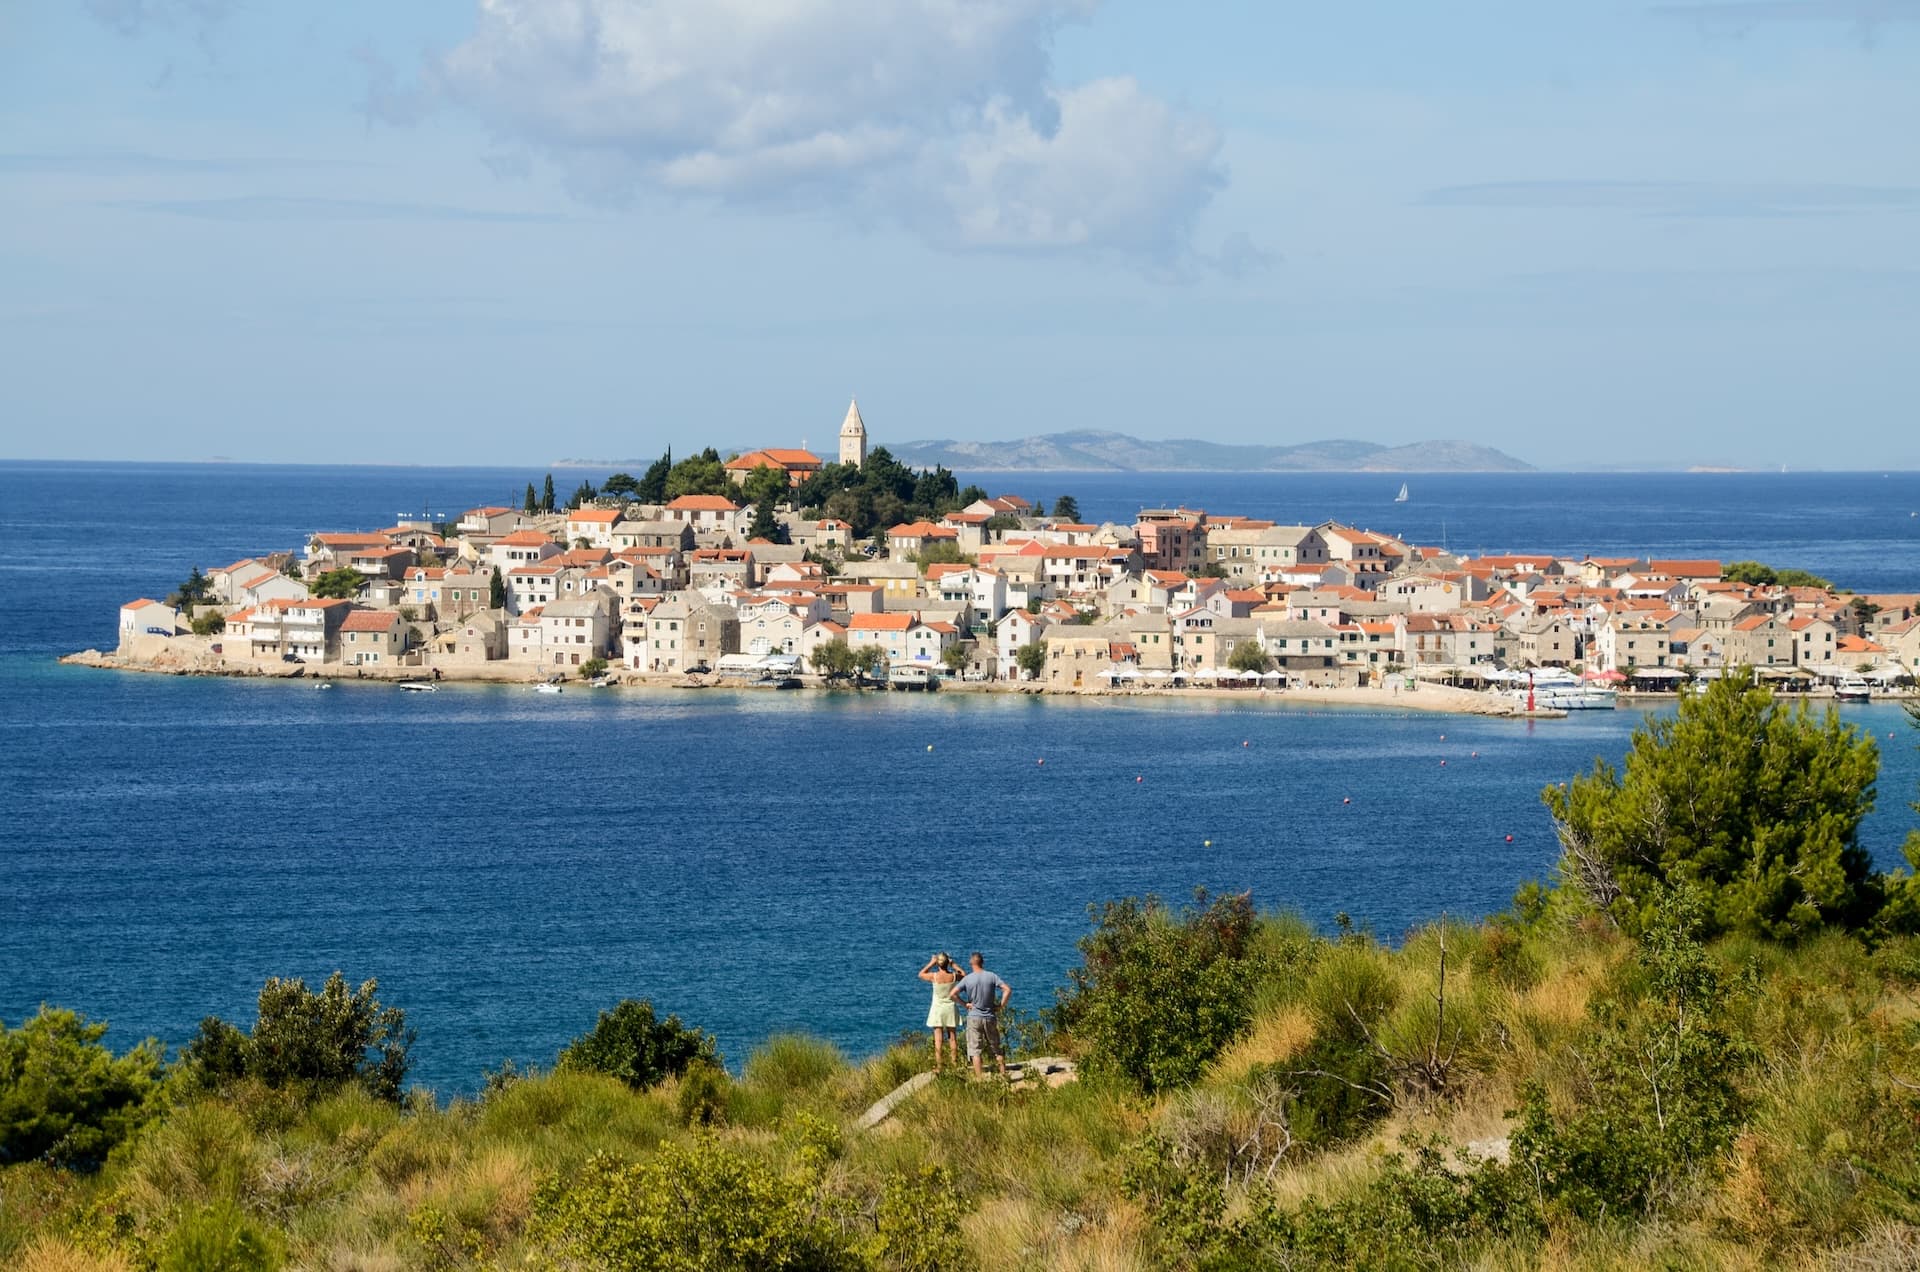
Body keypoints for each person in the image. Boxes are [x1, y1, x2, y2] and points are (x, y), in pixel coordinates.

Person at [950, 951, 1011, 1077]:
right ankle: (1004, 1075)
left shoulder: (968, 979)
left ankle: (979, 1079)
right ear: (982, 962)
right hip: (989, 1016)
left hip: (974, 1017)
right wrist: (1000, 1005)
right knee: (996, 1048)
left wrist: (964, 1004)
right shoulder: (992, 976)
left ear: (971, 963)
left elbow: (952, 994)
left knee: (975, 1050)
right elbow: (1007, 989)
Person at [918, 952, 964, 1070]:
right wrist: (954, 965)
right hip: (950, 1008)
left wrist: (931, 963)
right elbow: (964, 974)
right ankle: (954, 1064)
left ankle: (939, 1065)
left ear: (938, 963)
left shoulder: (934, 976)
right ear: (947, 963)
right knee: (952, 1038)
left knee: (938, 1039)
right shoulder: (953, 976)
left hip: (938, 1009)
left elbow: (921, 974)